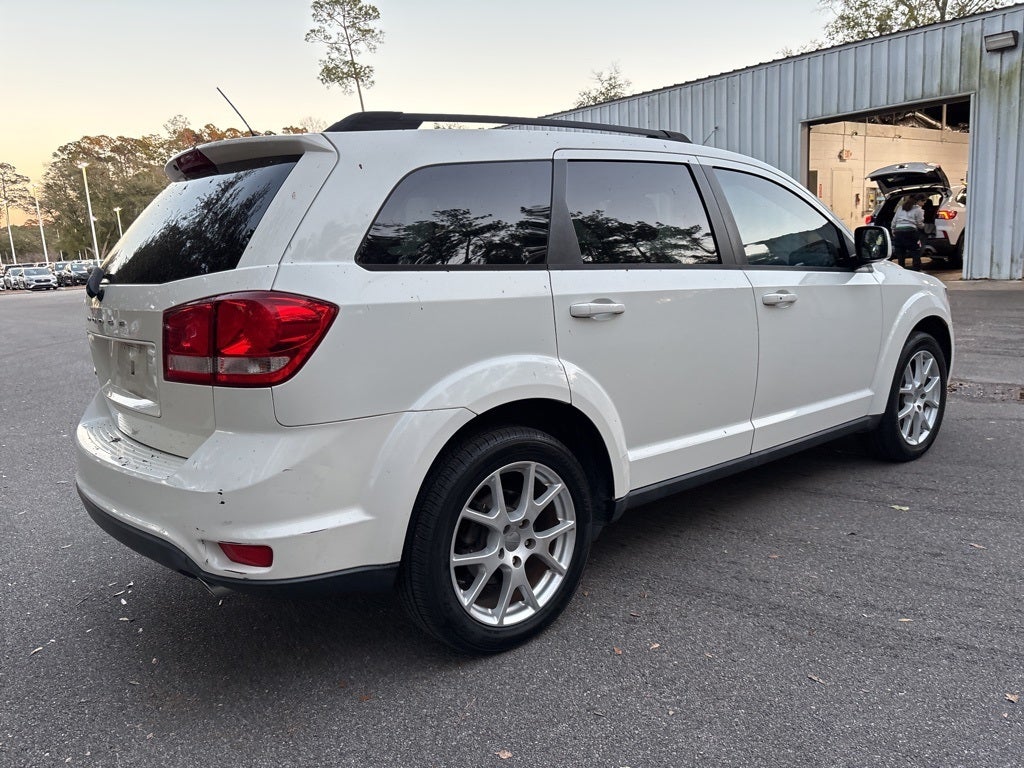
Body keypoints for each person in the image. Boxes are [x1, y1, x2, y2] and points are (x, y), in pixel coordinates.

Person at [890, 196, 925, 270]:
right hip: (911, 232)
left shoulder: (900, 208)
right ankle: (916, 269)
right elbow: (919, 224)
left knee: (900, 254)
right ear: (919, 201)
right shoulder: (919, 210)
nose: (924, 203)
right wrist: (924, 227)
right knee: (915, 251)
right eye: (924, 201)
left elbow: (894, 221)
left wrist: (893, 230)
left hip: (898, 232)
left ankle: (901, 270)